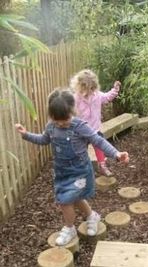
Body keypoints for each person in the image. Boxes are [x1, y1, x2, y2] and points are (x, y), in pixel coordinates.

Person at [15, 88, 129, 246]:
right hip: (62, 172)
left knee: (65, 201)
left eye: (65, 119)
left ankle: (69, 228)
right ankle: (92, 216)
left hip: (80, 172)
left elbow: (98, 141)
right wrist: (26, 134)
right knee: (74, 198)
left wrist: (116, 154)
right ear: (51, 116)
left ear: (72, 111)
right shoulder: (51, 127)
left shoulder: (80, 126)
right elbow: (43, 140)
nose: (61, 123)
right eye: (57, 119)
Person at [70, 69, 121, 177]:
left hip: (94, 129)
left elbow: (107, 97)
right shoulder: (76, 98)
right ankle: (80, 169)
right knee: (80, 151)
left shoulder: (97, 95)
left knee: (99, 146)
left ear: (94, 86)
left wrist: (115, 89)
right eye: (86, 89)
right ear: (79, 86)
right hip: (81, 132)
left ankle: (102, 166)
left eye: (92, 88)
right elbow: (71, 112)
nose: (89, 91)